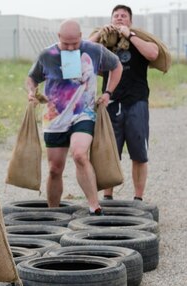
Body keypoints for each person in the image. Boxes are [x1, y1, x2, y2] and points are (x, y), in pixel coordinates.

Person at [26, 19, 122, 215]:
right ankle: (53, 213)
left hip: (83, 113)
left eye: (74, 43)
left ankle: (95, 206)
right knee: (54, 168)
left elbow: (116, 66)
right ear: (58, 37)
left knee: (79, 154)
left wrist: (108, 93)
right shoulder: (47, 54)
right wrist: (31, 92)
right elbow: (31, 78)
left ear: (81, 37)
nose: (70, 48)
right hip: (55, 117)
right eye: (65, 44)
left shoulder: (94, 50)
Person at [89, 5, 159, 201]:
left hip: (137, 101)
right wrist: (100, 33)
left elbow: (153, 54)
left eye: (124, 16)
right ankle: (108, 198)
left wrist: (131, 35)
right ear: (111, 19)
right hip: (110, 102)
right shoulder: (104, 42)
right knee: (109, 152)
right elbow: (82, 52)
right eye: (116, 16)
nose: (120, 18)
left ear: (130, 20)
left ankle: (138, 199)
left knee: (139, 154)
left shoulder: (138, 39)